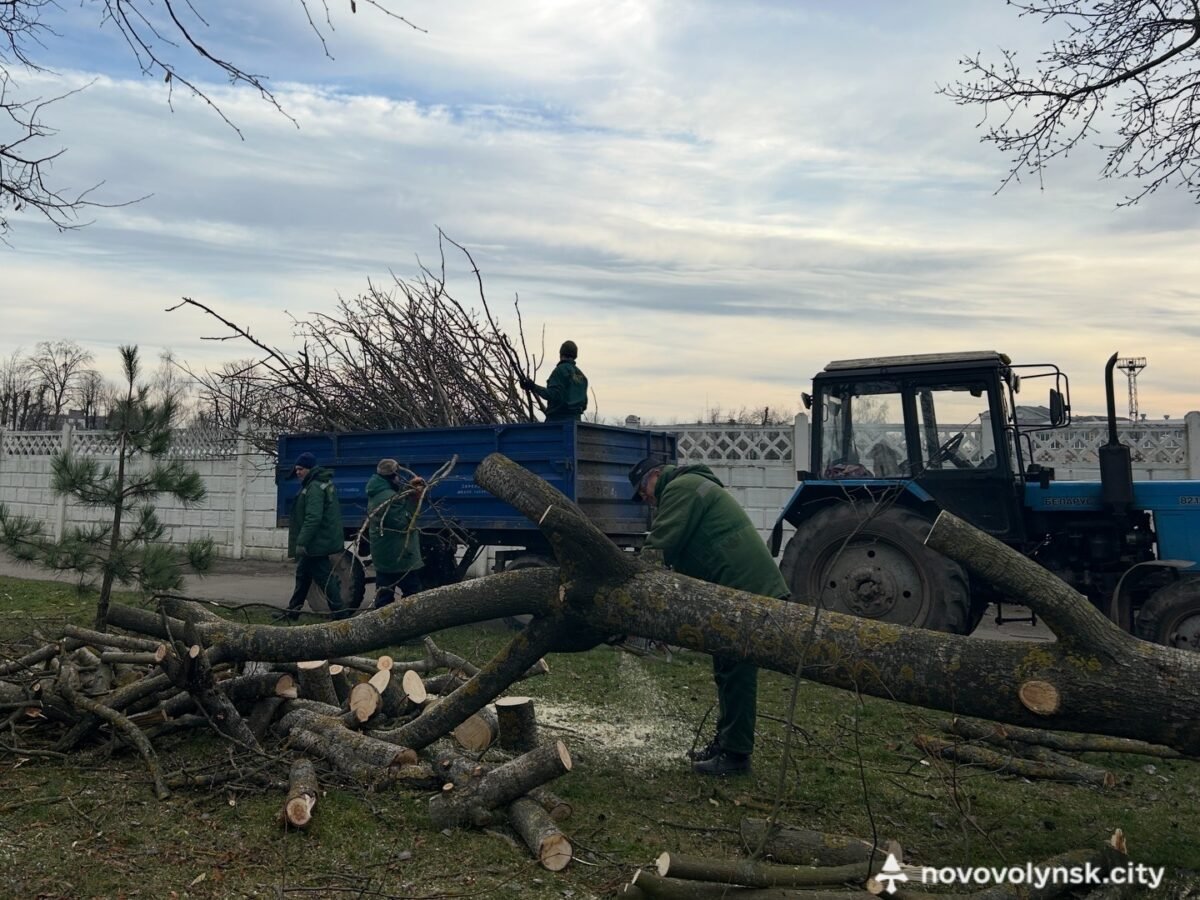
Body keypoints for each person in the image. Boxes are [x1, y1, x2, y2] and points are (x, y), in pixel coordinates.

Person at [628, 454, 789, 776]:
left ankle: (736, 756)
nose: (644, 497)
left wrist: (631, 589)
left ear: (657, 475)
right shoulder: (690, 486)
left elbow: (661, 546)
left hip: (745, 589)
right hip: (734, 588)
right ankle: (727, 743)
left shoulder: (681, 489)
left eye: (643, 488)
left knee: (736, 671)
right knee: (726, 667)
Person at [286, 452, 348, 620]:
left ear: (310, 469)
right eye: (296, 469)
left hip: (316, 543)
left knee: (324, 577)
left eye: (301, 469)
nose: (298, 472)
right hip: (319, 540)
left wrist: (302, 541)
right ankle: (293, 611)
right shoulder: (319, 483)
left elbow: (313, 518)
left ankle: (340, 612)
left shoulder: (314, 487)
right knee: (303, 576)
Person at [366, 458, 426, 607]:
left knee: (384, 593)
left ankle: (383, 625)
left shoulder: (381, 491)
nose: (400, 478)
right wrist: (414, 500)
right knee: (411, 595)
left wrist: (408, 490)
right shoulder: (387, 497)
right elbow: (402, 523)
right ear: (392, 476)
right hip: (398, 556)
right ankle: (405, 624)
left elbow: (397, 501)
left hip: (387, 554)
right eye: (398, 475)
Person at [521, 340, 588, 421]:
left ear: (561, 354)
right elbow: (584, 404)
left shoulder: (560, 371)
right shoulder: (582, 377)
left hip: (557, 422)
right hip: (576, 422)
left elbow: (553, 394)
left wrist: (532, 386)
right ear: (575, 355)